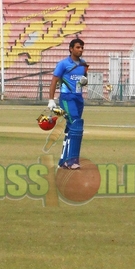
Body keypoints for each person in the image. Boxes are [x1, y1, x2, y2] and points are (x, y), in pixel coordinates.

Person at [47, 38, 88, 170]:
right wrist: (51, 100)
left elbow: (84, 79)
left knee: (71, 128)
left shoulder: (83, 64)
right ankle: (72, 161)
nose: (80, 50)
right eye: (77, 47)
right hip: (66, 98)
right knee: (76, 125)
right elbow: (54, 81)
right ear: (71, 49)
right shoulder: (63, 64)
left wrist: (84, 81)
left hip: (78, 99)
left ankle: (63, 161)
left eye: (82, 47)